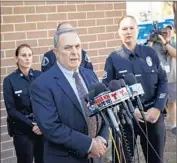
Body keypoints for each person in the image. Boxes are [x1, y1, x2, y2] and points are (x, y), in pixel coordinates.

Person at [30, 23, 109, 163]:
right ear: (56, 52)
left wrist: (101, 140)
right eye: (68, 47)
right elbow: (51, 127)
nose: (75, 52)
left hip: (96, 156)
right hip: (66, 158)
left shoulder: (90, 75)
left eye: (77, 46)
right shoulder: (41, 84)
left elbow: (104, 111)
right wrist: (89, 145)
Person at [102, 15, 168, 163]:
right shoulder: (113, 58)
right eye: (124, 29)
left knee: (156, 160)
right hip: (126, 119)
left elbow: (163, 80)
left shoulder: (150, 53)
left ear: (137, 30)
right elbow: (108, 90)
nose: (128, 32)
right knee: (123, 160)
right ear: (119, 32)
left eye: (131, 28)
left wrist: (158, 108)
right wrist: (131, 111)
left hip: (152, 117)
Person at [3, 44, 44, 163]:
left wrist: (41, 125)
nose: (27, 58)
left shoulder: (39, 76)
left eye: (30, 55)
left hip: (42, 129)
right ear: (16, 59)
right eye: (23, 55)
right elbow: (11, 110)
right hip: (23, 131)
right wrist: (32, 125)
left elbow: (47, 103)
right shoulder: (10, 80)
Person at [148, 25, 176, 135]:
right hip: (159, 79)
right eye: (166, 30)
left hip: (172, 77)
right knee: (159, 102)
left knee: (172, 102)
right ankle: (161, 123)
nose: (168, 32)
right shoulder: (155, 44)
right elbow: (149, 57)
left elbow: (175, 54)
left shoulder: (173, 43)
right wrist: (150, 42)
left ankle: (174, 124)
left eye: (170, 30)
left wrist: (165, 42)